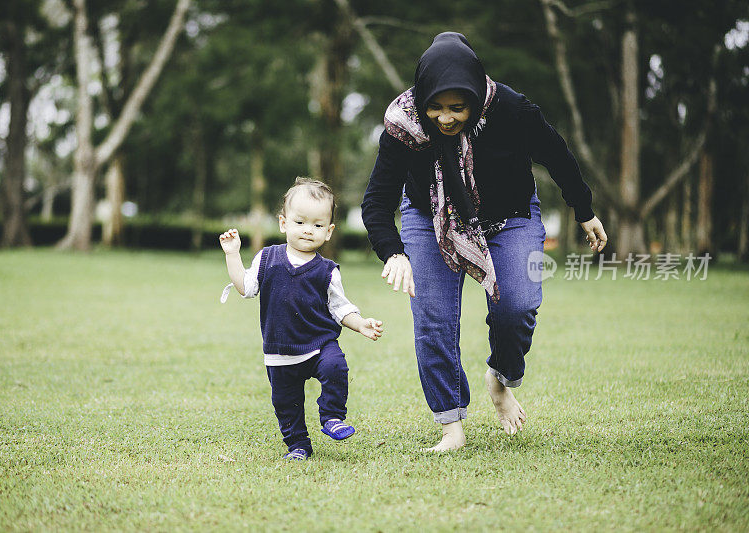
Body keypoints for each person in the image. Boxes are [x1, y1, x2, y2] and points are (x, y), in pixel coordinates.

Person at [361, 32, 607, 451]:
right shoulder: (402, 124)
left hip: (510, 214)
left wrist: (583, 209)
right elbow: (377, 200)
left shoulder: (511, 109)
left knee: (517, 306)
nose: (445, 118)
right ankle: (451, 425)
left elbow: (556, 153)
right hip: (429, 215)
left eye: (458, 108)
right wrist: (394, 251)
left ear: (475, 97)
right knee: (434, 319)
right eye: (435, 107)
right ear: (421, 99)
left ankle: (500, 377)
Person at [219, 177, 384, 460]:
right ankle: (298, 445)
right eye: (300, 222)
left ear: (329, 231)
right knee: (286, 403)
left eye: (318, 225)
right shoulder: (267, 258)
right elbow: (246, 288)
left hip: (320, 343)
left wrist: (361, 324)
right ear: (284, 223)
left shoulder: (328, 271)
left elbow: (341, 308)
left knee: (336, 367)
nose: (308, 230)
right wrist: (233, 254)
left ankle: (332, 417)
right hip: (280, 349)